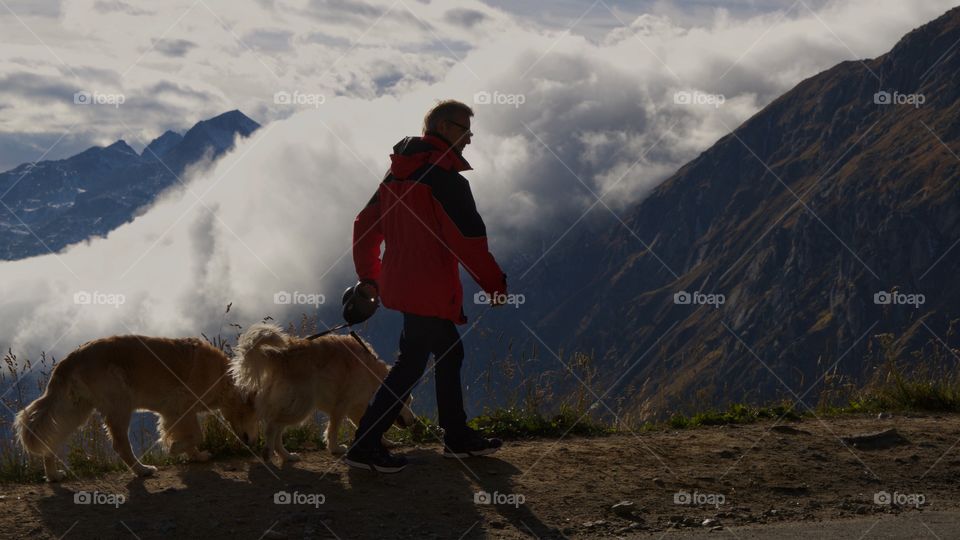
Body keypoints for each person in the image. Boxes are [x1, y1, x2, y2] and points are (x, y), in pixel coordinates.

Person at [344, 99, 508, 473]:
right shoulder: (445, 180)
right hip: (429, 288)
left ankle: (456, 437)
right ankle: (366, 445)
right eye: (465, 129)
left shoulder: (396, 175)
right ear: (445, 128)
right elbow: (470, 241)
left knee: (446, 354)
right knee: (411, 364)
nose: (469, 138)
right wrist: (494, 285)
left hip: (400, 285)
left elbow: (364, 225)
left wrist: (369, 277)